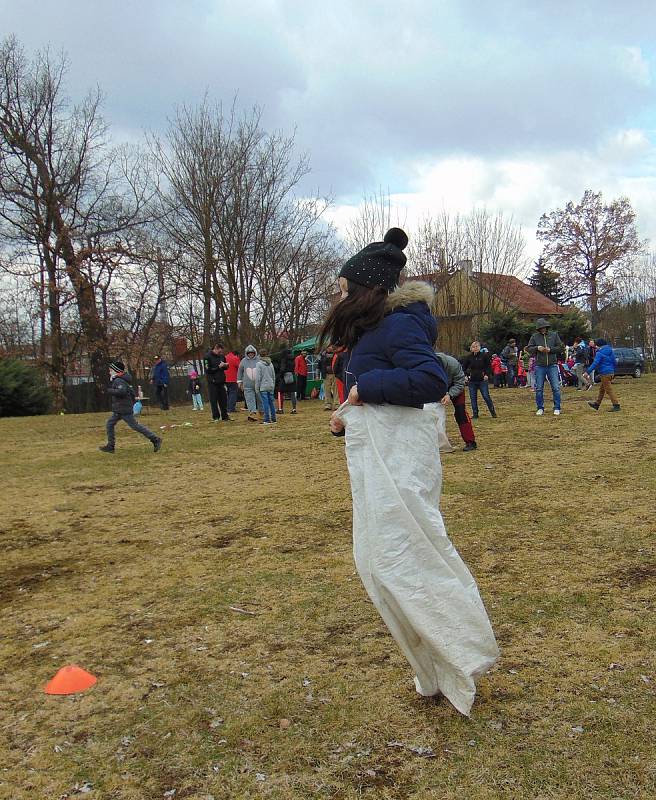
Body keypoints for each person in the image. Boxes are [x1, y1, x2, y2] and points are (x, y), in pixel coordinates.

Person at [323, 227, 498, 715]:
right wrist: (348, 415)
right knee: (379, 565)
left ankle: (461, 654)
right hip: (379, 458)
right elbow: (378, 391)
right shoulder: (374, 330)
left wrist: (366, 389)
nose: (338, 298)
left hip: (400, 463)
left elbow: (430, 378)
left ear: (367, 289)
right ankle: (432, 669)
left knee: (407, 558)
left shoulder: (397, 326)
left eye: (343, 289)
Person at [100, 361, 161, 453]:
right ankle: (110, 446)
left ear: (117, 371)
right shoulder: (121, 379)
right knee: (110, 424)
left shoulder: (119, 380)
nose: (109, 372)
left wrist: (108, 390)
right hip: (120, 408)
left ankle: (155, 439)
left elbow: (122, 392)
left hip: (123, 408)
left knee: (135, 426)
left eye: (111, 370)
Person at [436, 351, 477, 451]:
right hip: (437, 388)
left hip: (455, 386)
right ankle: (435, 442)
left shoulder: (453, 364)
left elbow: (460, 382)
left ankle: (470, 441)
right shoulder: (427, 364)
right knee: (433, 414)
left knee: (460, 413)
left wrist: (450, 394)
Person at [526, 317, 564, 416]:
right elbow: (529, 348)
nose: (543, 329)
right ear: (538, 328)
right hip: (540, 366)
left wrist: (550, 350)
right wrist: (537, 348)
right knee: (539, 388)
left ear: (547, 327)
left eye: (544, 327)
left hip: (552, 365)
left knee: (556, 387)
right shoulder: (534, 337)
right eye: (541, 328)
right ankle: (540, 408)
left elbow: (560, 347)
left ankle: (557, 407)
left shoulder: (554, 335)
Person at [461, 342, 497, 419]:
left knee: (486, 396)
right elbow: (463, 367)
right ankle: (475, 414)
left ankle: (492, 411)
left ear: (480, 347)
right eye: (473, 347)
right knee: (473, 398)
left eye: (477, 346)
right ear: (471, 348)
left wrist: (487, 375)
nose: (475, 348)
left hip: (482, 380)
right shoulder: (468, 357)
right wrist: (465, 376)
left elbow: (488, 366)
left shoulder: (484, 356)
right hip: (472, 381)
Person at [585, 338, 620, 412]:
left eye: (596, 345)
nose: (595, 347)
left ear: (599, 345)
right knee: (602, 390)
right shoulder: (610, 351)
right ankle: (597, 404)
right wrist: (613, 370)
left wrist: (587, 372)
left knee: (609, 390)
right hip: (611, 373)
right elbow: (614, 362)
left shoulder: (599, 353)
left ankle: (616, 405)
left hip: (604, 373)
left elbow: (595, 363)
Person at [203, 343, 231, 422]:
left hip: (221, 381)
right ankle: (216, 416)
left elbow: (225, 368)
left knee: (223, 399)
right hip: (212, 381)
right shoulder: (207, 357)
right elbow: (208, 370)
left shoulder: (222, 356)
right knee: (214, 400)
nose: (220, 353)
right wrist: (218, 367)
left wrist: (226, 365)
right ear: (215, 348)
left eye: (221, 352)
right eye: (219, 351)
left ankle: (225, 416)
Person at [237, 345, 261, 422]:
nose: (250, 354)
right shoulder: (243, 361)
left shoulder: (259, 360)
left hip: (258, 384)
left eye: (252, 353)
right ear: (246, 353)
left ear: (255, 353)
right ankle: (252, 413)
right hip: (247, 385)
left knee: (260, 399)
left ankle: (262, 412)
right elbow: (240, 372)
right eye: (249, 353)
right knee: (250, 399)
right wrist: (239, 382)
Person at [255, 349, 277, 424]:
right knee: (271, 403)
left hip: (263, 386)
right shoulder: (271, 363)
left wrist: (257, 388)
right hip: (270, 385)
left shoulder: (258, 364)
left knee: (265, 403)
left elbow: (258, 377)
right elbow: (273, 376)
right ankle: (274, 418)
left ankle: (267, 419)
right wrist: (273, 385)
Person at [276, 347, 297, 414]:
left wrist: (280, 376)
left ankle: (280, 409)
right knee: (293, 393)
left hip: (284, 377)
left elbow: (282, 369)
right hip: (292, 376)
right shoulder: (293, 359)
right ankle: (294, 409)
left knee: (280, 392)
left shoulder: (284, 359)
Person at [319, 345, 338, 411]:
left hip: (335, 374)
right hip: (326, 374)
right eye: (328, 347)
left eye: (330, 347)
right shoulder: (322, 355)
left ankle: (337, 404)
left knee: (336, 390)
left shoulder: (336, 354)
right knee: (327, 390)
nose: (329, 348)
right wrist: (317, 374)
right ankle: (328, 405)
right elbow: (319, 365)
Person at [225, 348, 241, 413]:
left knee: (229, 393)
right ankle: (231, 408)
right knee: (233, 393)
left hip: (225, 379)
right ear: (237, 354)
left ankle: (228, 407)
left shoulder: (225, 357)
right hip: (233, 378)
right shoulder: (235, 358)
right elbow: (240, 367)